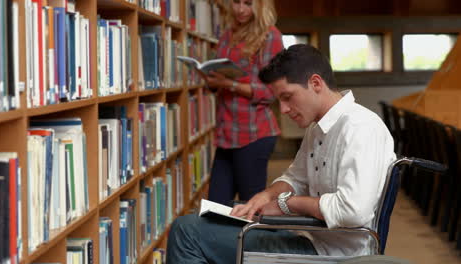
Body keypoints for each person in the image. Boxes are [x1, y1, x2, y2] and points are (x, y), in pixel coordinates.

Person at [166, 44, 396, 264]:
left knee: (187, 232)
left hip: (335, 254)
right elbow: (294, 178)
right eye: (279, 100)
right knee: (198, 223)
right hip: (311, 239)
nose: (283, 110)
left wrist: (288, 204)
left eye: (287, 97)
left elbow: (352, 211)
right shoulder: (317, 128)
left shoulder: (361, 128)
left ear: (315, 83)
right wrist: (266, 196)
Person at [205, 0, 284, 205]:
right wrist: (211, 80)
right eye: (236, 2)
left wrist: (230, 84)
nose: (240, 9)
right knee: (215, 207)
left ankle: (249, 239)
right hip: (226, 134)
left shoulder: (270, 36)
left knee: (250, 207)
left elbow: (270, 91)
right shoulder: (227, 35)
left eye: (248, 3)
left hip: (254, 133)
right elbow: (218, 76)